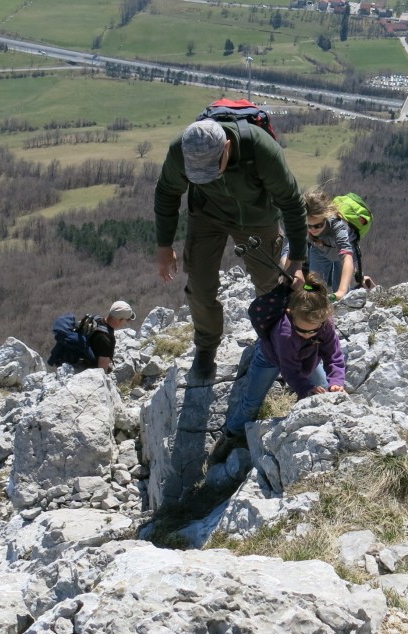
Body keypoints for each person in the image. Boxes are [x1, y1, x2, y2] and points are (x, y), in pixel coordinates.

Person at [154, 118, 308, 379]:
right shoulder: (182, 150)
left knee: (270, 285)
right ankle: (205, 348)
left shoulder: (260, 150)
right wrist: (164, 245)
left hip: (256, 218)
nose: (208, 176)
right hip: (207, 215)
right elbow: (167, 192)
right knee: (200, 287)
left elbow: (292, 202)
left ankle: (275, 342)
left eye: (213, 168)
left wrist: (296, 260)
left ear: (227, 147)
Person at [210, 274, 346, 462]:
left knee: (324, 392)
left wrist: (337, 381)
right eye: (303, 330)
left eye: (314, 330)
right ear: (290, 313)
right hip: (270, 357)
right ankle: (231, 435)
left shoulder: (324, 325)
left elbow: (334, 356)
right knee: (251, 403)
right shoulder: (285, 332)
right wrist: (305, 388)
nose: (308, 334)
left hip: (306, 357)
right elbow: (290, 370)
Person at [299, 188, 375, 300]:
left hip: (342, 254)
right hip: (320, 250)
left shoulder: (338, 226)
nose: (313, 230)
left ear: (326, 217)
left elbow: (347, 257)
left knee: (340, 294)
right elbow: (290, 250)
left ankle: (361, 279)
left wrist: (341, 292)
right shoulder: (302, 224)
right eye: (309, 226)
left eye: (318, 225)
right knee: (313, 290)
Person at [88, 301, 136, 373]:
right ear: (121, 320)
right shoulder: (107, 340)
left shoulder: (96, 319)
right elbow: (102, 372)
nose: (127, 322)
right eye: (128, 320)